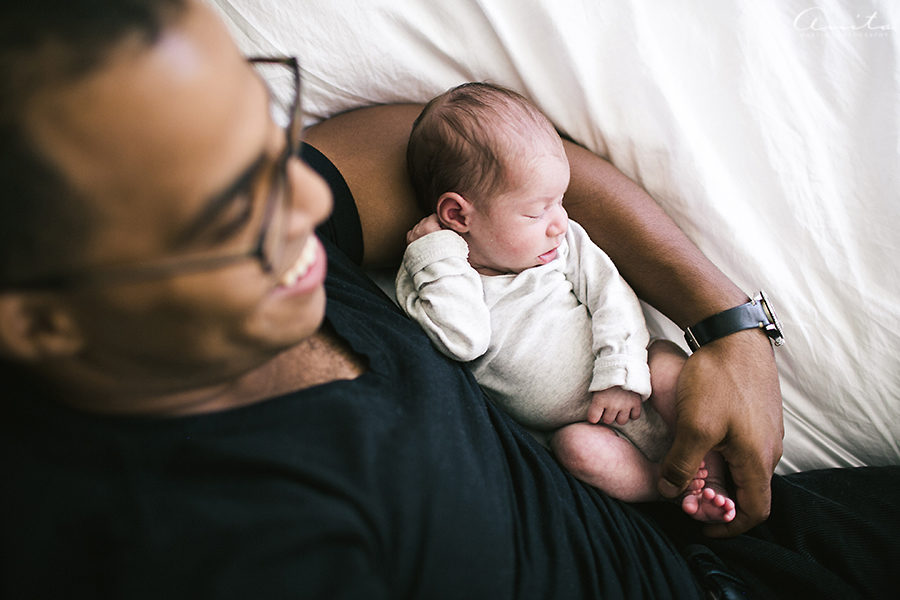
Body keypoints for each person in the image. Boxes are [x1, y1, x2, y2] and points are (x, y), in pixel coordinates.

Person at [1, 1, 897, 598]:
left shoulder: (254, 248)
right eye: (228, 205)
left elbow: (440, 151)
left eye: (264, 141)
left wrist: (727, 322)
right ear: (48, 323)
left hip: (751, 536)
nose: (307, 201)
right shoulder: (223, 546)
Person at [396, 82, 734, 523]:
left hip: (633, 375)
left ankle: (716, 474)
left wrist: (621, 371)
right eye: (538, 210)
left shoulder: (564, 243)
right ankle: (665, 485)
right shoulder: (436, 277)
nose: (559, 222)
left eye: (561, 200)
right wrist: (435, 255)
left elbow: (611, 295)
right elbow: (463, 341)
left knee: (668, 366)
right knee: (574, 450)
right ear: (459, 216)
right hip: (585, 429)